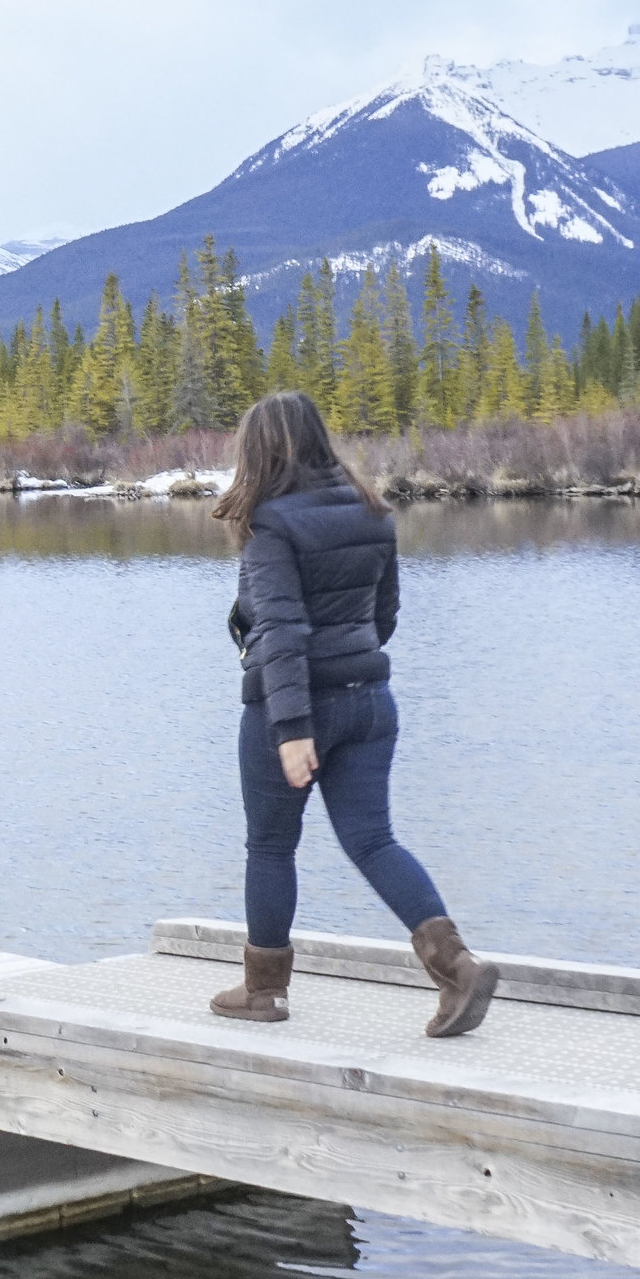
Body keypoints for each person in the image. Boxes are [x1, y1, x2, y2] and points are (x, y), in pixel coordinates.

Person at [205, 388, 496, 1036]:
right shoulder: (372, 511)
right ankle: (457, 968)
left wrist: (292, 730)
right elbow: (383, 616)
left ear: (260, 452)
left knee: (272, 844)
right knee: (373, 839)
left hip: (293, 710)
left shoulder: (271, 524)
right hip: (370, 702)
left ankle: (263, 992)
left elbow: (278, 630)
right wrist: (350, 668)